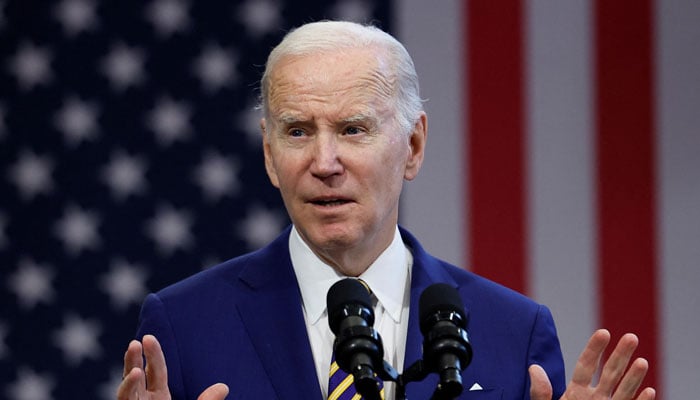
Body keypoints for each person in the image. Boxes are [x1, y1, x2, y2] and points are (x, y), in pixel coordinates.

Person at [117, 21, 655, 400]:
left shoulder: (512, 332)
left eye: (353, 129)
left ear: (413, 147)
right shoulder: (183, 326)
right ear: (269, 154)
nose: (324, 163)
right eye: (298, 131)